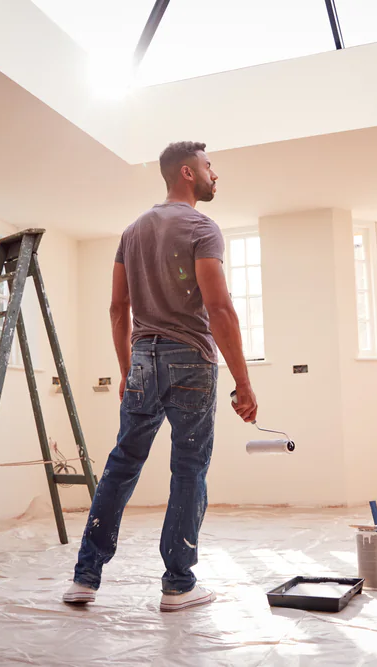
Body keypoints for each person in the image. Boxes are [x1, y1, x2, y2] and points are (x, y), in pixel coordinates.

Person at [62, 141, 259, 612]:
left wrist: (130, 372)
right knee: (188, 469)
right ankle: (178, 585)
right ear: (188, 174)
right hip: (191, 359)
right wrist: (244, 383)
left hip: (144, 358)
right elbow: (218, 307)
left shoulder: (132, 231)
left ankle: (85, 579)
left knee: (121, 466)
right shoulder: (200, 226)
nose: (216, 175)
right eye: (210, 167)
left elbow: (117, 308)